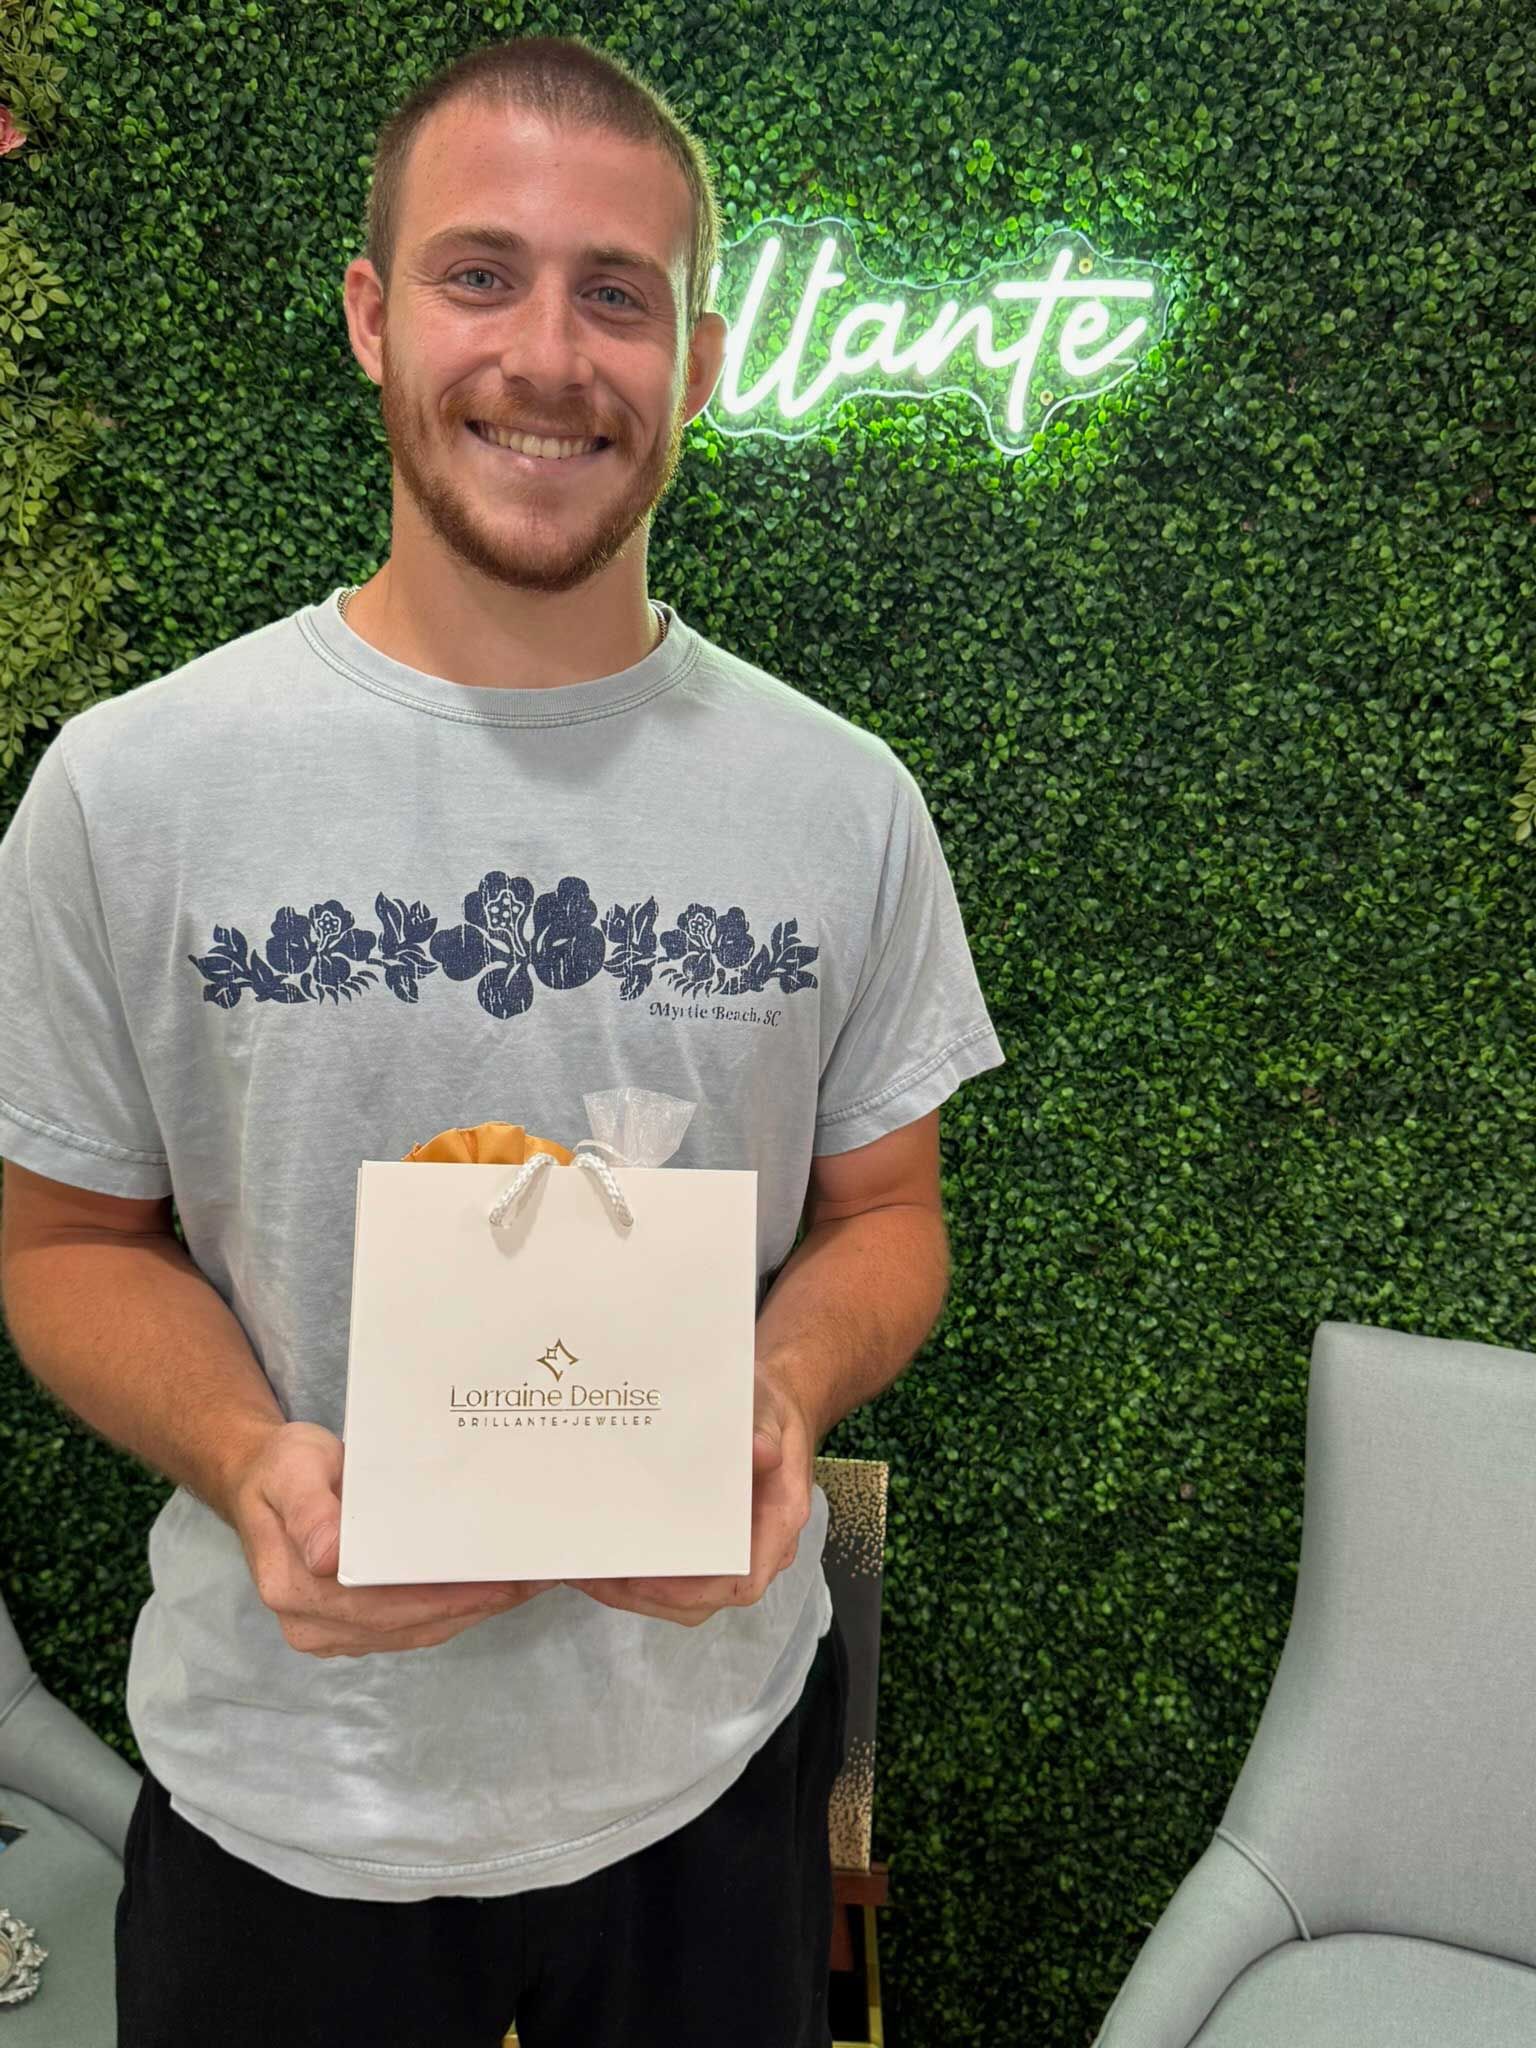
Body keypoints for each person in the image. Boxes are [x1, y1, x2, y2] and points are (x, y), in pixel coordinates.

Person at [0, 32, 1004, 2048]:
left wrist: (783, 1389)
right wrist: (246, 1456)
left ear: (698, 361)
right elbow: (57, 1246)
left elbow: (889, 1214)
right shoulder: (133, 789)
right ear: (373, 317)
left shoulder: (843, 798)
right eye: (481, 273)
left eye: (615, 293)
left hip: (712, 1781)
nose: (549, 353)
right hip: (293, 1805)